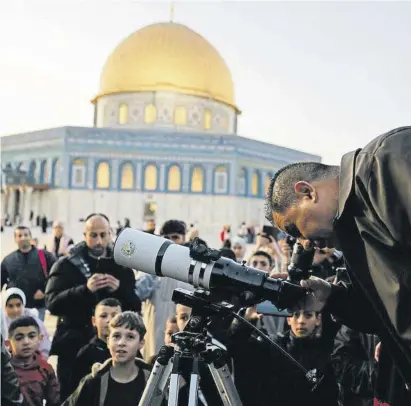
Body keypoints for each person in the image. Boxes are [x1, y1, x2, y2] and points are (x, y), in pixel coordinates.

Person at [265, 126, 411, 400]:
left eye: (296, 230)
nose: (305, 242)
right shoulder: (354, 233)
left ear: (307, 192)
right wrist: (331, 296)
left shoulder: (387, 162)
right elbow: (385, 314)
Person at [45, 213, 141, 401]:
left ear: (110, 234)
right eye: (93, 235)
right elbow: (52, 303)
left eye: (103, 235)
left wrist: (119, 290)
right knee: (72, 395)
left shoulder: (122, 266)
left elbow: (135, 306)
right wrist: (85, 290)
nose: (99, 241)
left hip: (113, 346)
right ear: (85, 235)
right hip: (74, 345)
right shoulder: (66, 264)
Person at [63, 311, 150, 406]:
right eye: (116, 336)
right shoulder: (94, 382)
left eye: (130, 337)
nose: (121, 343)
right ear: (108, 342)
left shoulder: (151, 382)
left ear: (141, 343)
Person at [1, 226, 56, 321]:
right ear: (15, 239)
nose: (23, 237)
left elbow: (56, 276)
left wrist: (44, 290)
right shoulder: (8, 260)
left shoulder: (45, 256)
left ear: (30, 237)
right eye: (20, 235)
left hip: (38, 306)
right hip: (15, 308)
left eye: (26, 235)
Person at [69, 298, 122, 392]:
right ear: (94, 321)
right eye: (103, 316)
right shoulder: (86, 353)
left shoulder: (129, 350)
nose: (109, 320)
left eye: (114, 316)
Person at [6, 316, 60, 406]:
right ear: (8, 343)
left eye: (31, 336)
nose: (26, 342)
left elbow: (54, 401)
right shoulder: (4, 368)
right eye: (19, 338)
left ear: (40, 338)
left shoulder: (45, 368)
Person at [3, 288, 51, 359]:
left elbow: (44, 345)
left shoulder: (34, 321)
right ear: (4, 307)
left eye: (18, 305)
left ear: (23, 305)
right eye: (10, 306)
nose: (15, 309)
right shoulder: (2, 323)